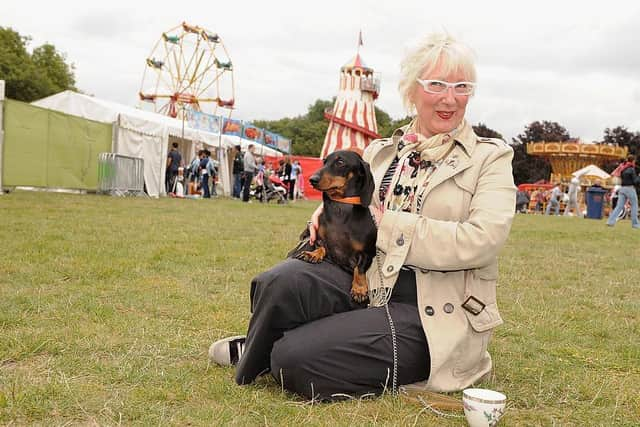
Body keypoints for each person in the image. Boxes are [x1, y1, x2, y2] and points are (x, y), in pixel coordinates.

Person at [210, 32, 516, 399]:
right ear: (412, 90)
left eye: (462, 86)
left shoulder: (490, 159)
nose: (450, 98)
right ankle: (279, 343)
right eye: (437, 84)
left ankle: (273, 345)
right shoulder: (381, 153)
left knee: (295, 361)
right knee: (278, 283)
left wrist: (385, 224)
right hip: (367, 283)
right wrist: (325, 209)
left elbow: (481, 241)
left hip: (430, 311)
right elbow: (349, 200)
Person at [606, 155, 639, 229]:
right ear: (633, 161)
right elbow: (635, 181)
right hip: (630, 189)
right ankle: (635, 225)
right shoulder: (631, 169)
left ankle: (610, 222)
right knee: (634, 206)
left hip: (622, 189)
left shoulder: (623, 168)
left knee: (619, 207)